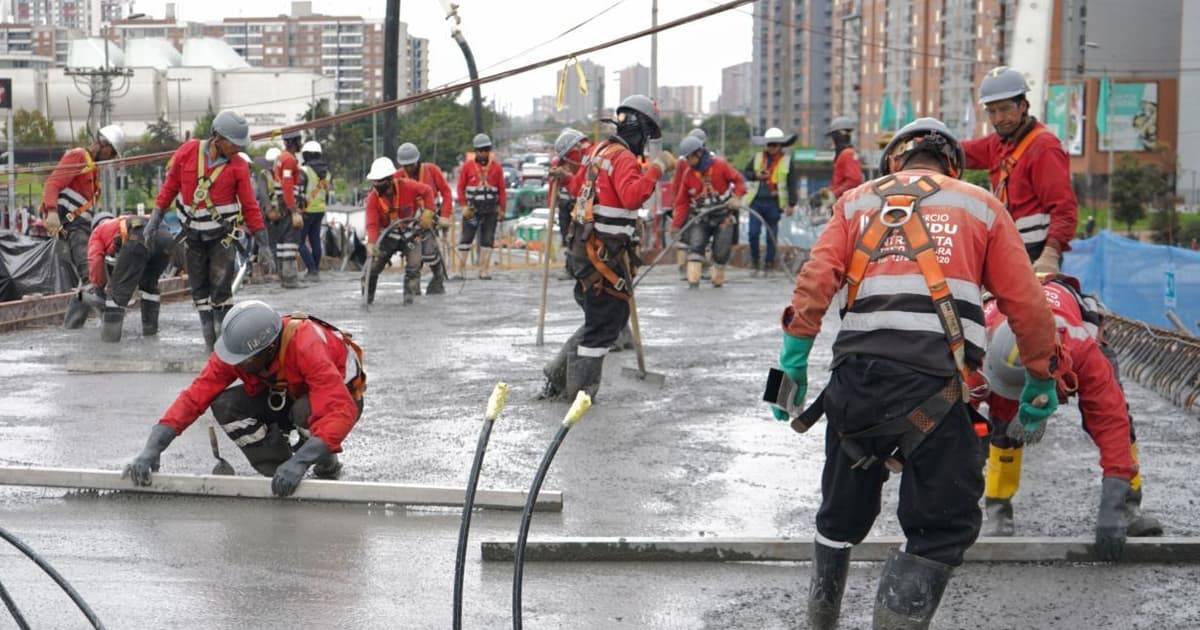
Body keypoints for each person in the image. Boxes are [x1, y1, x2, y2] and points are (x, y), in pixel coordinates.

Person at [771, 117, 1065, 629]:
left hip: (854, 388)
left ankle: (820, 619)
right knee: (940, 526)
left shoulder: (857, 202)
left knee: (840, 515)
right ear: (953, 163)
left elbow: (814, 282)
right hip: (937, 392)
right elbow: (1027, 305)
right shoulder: (980, 206)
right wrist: (1040, 378)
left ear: (894, 161)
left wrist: (789, 366)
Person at [977, 273, 1162, 558]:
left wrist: (1113, 501)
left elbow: (1111, 422)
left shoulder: (1085, 351)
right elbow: (961, 419)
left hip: (1071, 340)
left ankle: (1128, 503)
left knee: (1119, 419)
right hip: (1003, 341)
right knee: (1002, 424)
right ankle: (998, 509)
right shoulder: (977, 342)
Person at [122, 300, 365, 497]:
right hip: (285, 394)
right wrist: (152, 448)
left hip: (337, 400)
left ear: (269, 349)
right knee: (226, 405)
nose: (236, 365)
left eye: (244, 361)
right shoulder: (237, 352)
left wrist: (301, 461)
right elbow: (193, 398)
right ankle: (278, 473)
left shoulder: (306, 344)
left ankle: (325, 462)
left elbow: (339, 410)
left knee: (305, 410)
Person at [537, 95, 673, 401]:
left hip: (586, 248)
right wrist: (656, 169)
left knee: (602, 319)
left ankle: (557, 376)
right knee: (603, 324)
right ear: (638, 129)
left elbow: (586, 191)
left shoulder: (600, 151)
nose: (647, 144)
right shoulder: (623, 158)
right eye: (647, 136)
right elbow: (632, 197)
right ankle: (579, 393)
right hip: (600, 254)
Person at [143, 110, 275, 353]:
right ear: (218, 138)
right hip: (190, 237)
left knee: (221, 291)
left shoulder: (238, 167)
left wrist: (263, 243)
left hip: (221, 239)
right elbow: (170, 186)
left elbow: (250, 207)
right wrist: (155, 218)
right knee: (199, 291)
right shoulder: (188, 152)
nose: (238, 149)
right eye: (235, 144)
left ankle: (223, 347)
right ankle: (209, 346)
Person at [962, 66, 1079, 274]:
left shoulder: (1044, 148)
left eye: (1005, 109)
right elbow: (961, 152)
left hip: (1035, 255)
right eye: (992, 111)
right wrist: (919, 143)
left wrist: (1051, 254)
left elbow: (1064, 209)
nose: (998, 118)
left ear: (1023, 106)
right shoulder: (999, 143)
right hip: (1007, 248)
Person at [43, 125, 125, 328]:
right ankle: (108, 320)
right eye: (112, 152)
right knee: (90, 279)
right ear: (103, 144)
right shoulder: (78, 156)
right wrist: (51, 211)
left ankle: (72, 325)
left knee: (89, 279)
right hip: (73, 228)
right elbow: (53, 182)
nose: (111, 157)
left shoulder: (92, 169)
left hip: (82, 228)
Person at [84, 212, 174, 342]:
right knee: (149, 287)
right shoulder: (124, 220)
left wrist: (99, 287)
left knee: (116, 295)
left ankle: (109, 345)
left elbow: (95, 261)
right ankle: (150, 334)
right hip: (165, 237)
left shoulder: (97, 232)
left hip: (139, 235)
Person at [672, 134, 746, 289]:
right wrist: (676, 225)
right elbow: (682, 203)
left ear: (698, 153)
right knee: (696, 247)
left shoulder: (720, 166)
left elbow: (739, 180)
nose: (687, 161)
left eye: (689, 157)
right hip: (701, 217)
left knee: (720, 253)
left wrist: (737, 197)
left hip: (723, 216)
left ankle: (717, 279)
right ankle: (693, 284)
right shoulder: (688, 175)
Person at [363, 157, 436, 305]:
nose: (377, 185)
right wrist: (371, 244)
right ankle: (367, 300)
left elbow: (428, 191)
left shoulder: (407, 186)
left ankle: (409, 301)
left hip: (410, 236)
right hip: (387, 237)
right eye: (374, 181)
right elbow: (372, 224)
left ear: (390, 179)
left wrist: (429, 212)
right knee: (370, 269)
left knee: (414, 265)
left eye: (380, 181)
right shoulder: (372, 199)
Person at [396, 141, 452, 295]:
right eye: (405, 165)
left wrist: (445, 216)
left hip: (430, 218)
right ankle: (414, 288)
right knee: (414, 255)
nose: (408, 168)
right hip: (409, 223)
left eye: (411, 164)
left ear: (417, 160)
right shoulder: (397, 177)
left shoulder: (432, 170)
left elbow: (447, 193)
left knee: (429, 253)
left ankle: (437, 277)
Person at [742, 127, 798, 277]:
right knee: (753, 233)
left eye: (775, 144)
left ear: (780, 145)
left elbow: (792, 183)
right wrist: (756, 176)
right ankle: (755, 260)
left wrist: (792, 204)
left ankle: (769, 263)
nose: (772, 147)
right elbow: (746, 173)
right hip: (756, 201)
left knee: (771, 235)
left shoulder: (786, 161)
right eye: (770, 144)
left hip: (774, 202)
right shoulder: (758, 157)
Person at [454, 133, 507, 279]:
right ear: (476, 151)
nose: (483, 153)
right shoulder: (467, 167)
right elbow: (460, 188)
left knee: (487, 240)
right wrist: (463, 206)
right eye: (480, 150)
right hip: (472, 210)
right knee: (466, 238)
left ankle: (484, 270)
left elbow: (502, 190)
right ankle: (459, 270)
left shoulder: (497, 168)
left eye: (485, 150)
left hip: (490, 210)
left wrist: (502, 209)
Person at [269, 130, 305, 288]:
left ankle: (284, 276)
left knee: (283, 240)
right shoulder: (289, 160)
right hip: (287, 203)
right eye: (299, 141)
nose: (301, 144)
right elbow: (288, 185)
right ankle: (290, 278)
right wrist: (293, 209)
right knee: (290, 240)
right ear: (294, 142)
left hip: (281, 202)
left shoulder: (281, 158)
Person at [298, 140, 331, 282]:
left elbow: (299, 192)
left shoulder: (304, 171)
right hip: (320, 210)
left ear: (305, 155)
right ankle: (315, 270)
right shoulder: (327, 173)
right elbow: (327, 193)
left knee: (298, 241)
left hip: (307, 210)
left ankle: (312, 269)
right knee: (315, 240)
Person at [826, 116, 864, 197]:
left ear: (836, 136)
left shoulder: (847, 154)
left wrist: (834, 194)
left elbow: (855, 180)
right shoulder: (845, 154)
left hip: (846, 202)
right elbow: (839, 181)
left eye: (832, 137)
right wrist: (827, 193)